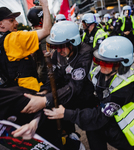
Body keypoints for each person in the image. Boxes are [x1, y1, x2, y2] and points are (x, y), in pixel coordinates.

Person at [44, 36, 134, 150]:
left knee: (94, 121)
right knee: (92, 125)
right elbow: (83, 91)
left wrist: (66, 113)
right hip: (112, 120)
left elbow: (99, 116)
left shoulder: (127, 86)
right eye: (99, 60)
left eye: (107, 63)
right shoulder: (99, 72)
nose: (101, 66)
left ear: (122, 64)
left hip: (129, 132)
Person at [20, 20, 97, 149]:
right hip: (68, 97)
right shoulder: (58, 53)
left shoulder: (85, 54)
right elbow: (54, 77)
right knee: (63, 117)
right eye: (55, 46)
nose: (58, 50)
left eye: (62, 46)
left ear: (73, 42)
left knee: (93, 131)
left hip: (87, 99)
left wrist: (45, 100)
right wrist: (44, 91)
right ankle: (72, 136)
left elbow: (75, 88)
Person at [0, 0, 51, 91]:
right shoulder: (13, 38)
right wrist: (45, 6)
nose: (16, 23)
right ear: (0, 24)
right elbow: (46, 30)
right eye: (11, 20)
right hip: (30, 90)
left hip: (12, 92)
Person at [27, 5, 48, 84]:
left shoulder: (29, 36)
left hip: (38, 76)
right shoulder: (44, 36)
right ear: (42, 19)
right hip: (47, 75)